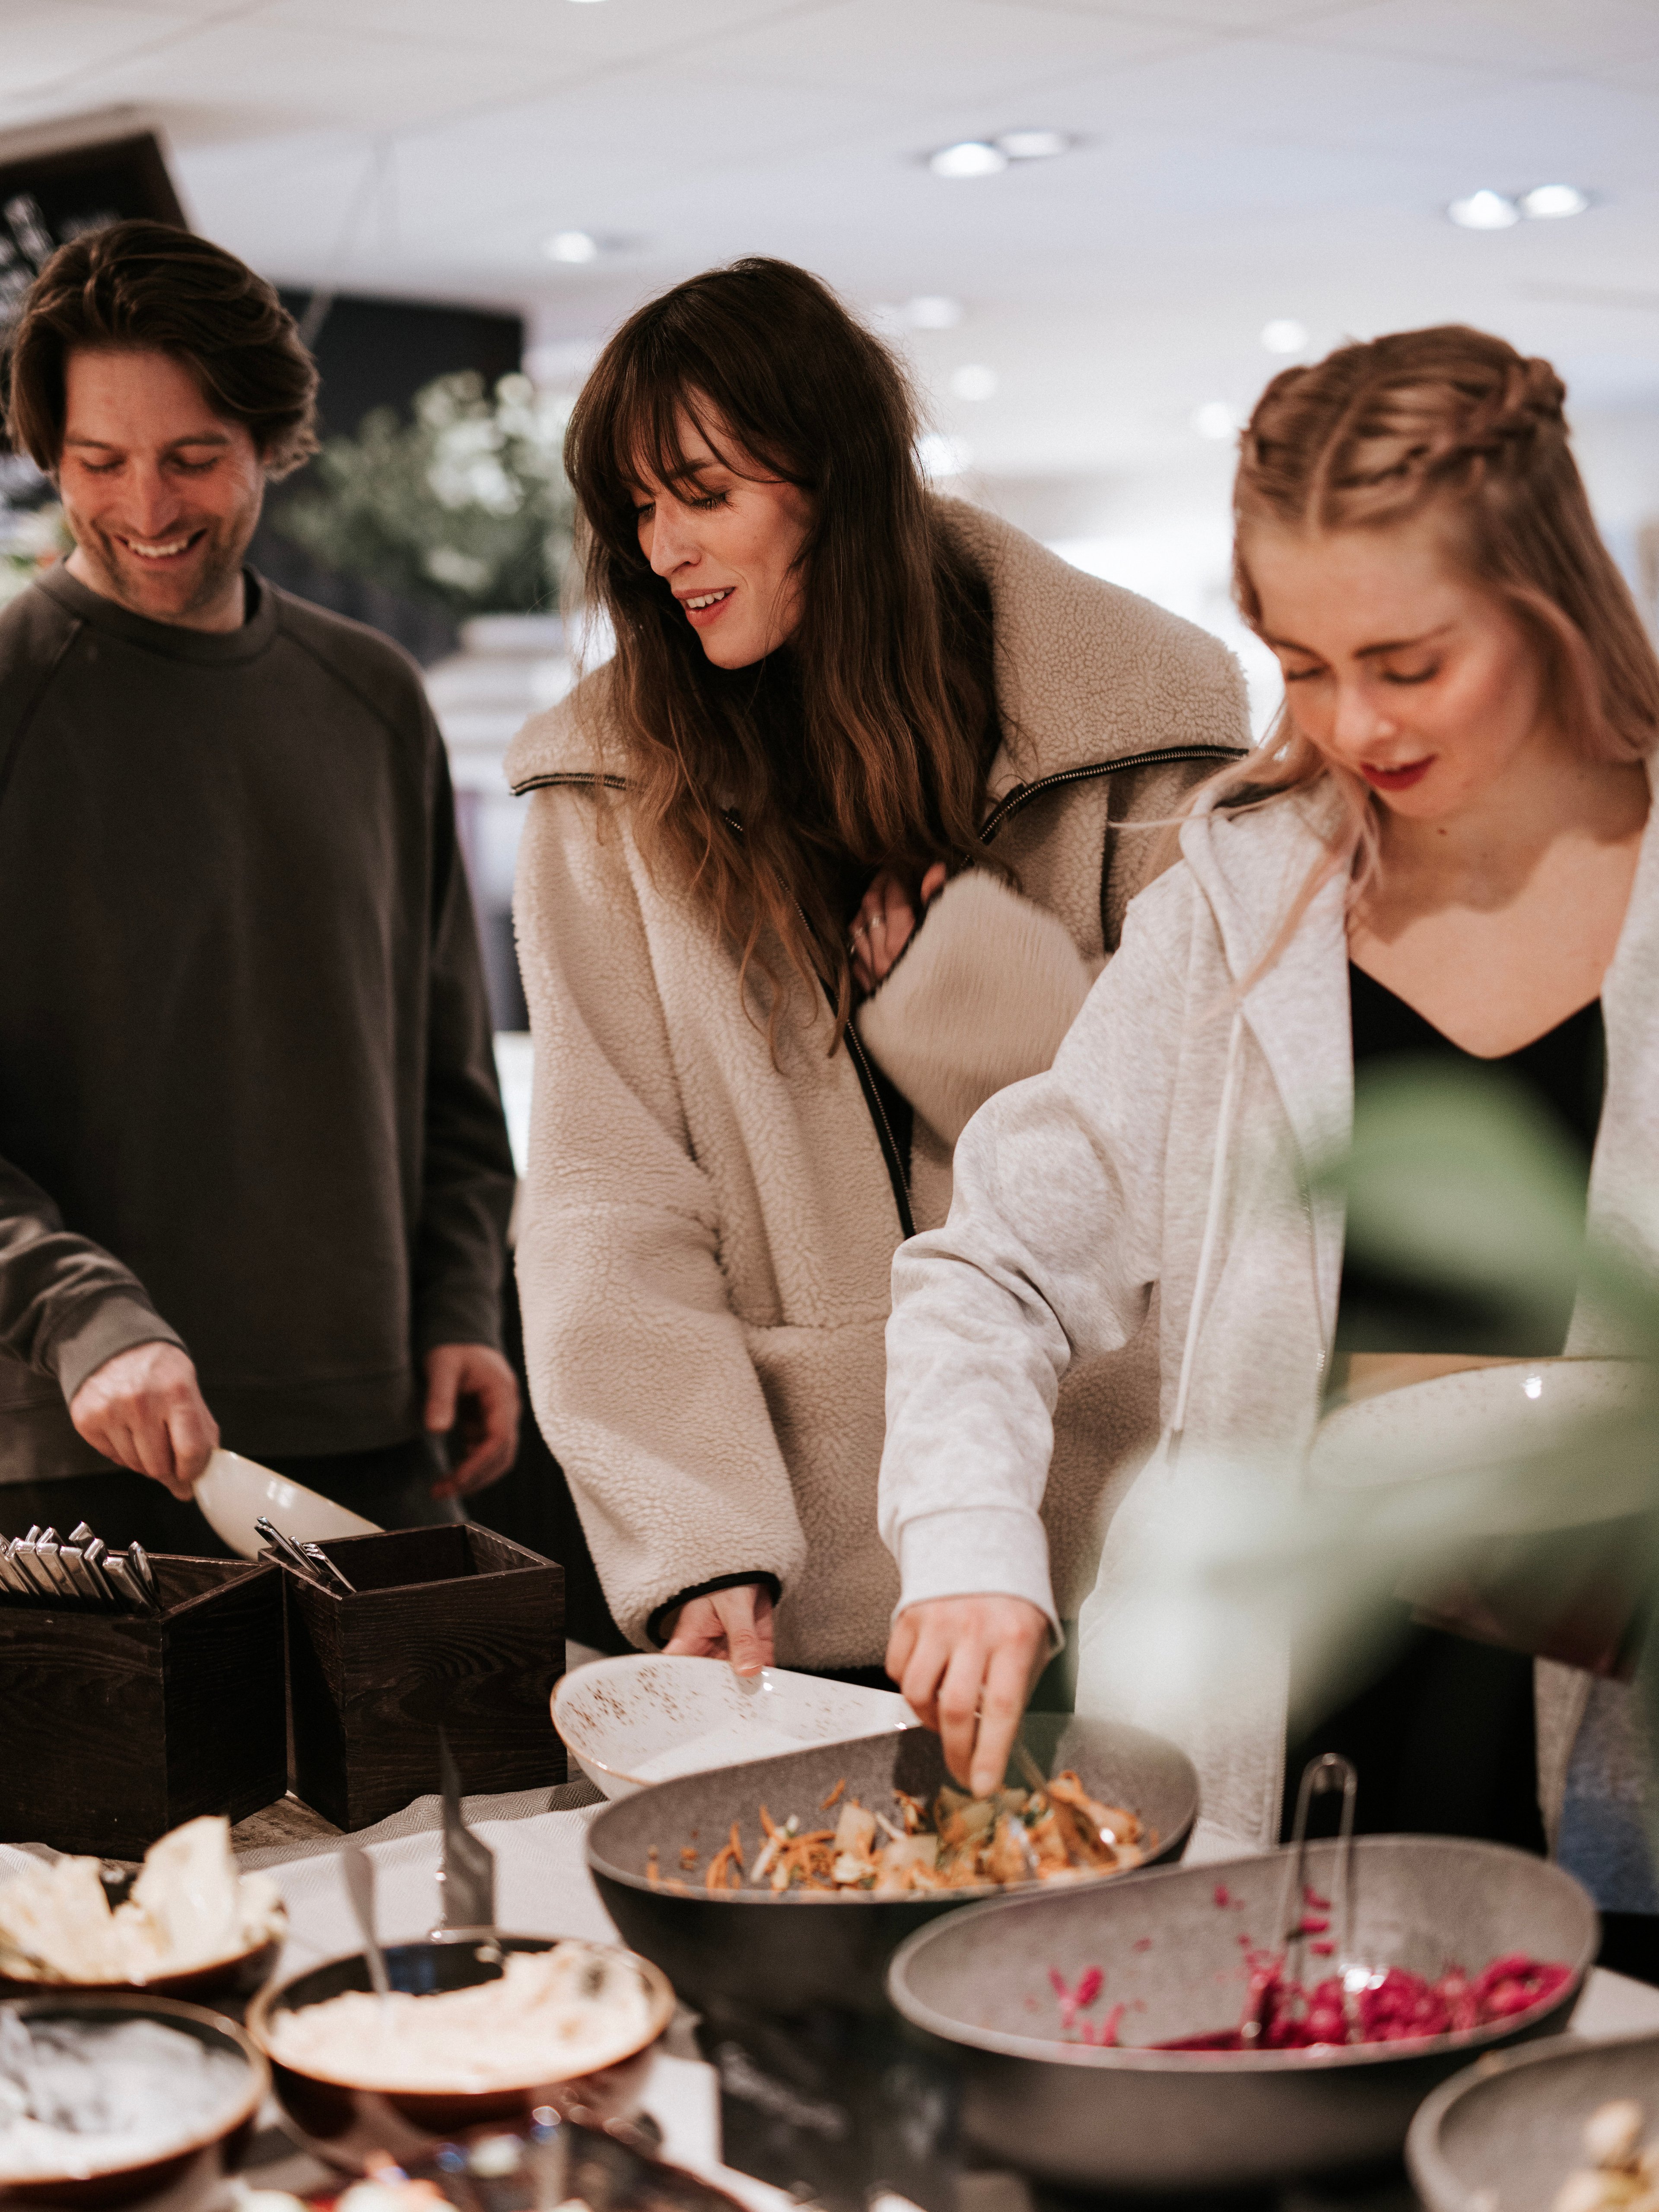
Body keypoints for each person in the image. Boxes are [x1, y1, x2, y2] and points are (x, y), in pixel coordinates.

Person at [878, 324, 1659, 1913]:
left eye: (1410, 661)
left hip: (1611, 1814)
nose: (1357, 727)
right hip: (1263, 1792)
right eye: (1304, 664)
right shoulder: (1239, 902)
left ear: (1550, 598)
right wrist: (968, 1538)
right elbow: (998, 1266)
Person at [507, 257, 1246, 1710]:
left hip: (1118, 1533)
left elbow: (1200, 1136)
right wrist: (694, 1533)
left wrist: (962, 997)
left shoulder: (1147, 729)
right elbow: (609, 1191)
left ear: (834, 482)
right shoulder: (598, 793)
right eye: (638, 509)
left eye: (703, 495)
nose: (664, 548)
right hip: (788, 1575)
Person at [0, 219, 519, 1548]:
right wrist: (85, 1319)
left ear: (272, 445)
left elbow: (443, 1069)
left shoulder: (374, 698)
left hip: (376, 1433)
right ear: (48, 456)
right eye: (98, 463)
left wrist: (462, 1306)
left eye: (194, 459)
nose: (148, 510)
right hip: (74, 1461)